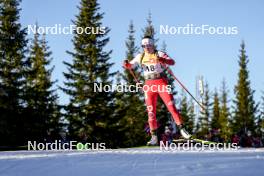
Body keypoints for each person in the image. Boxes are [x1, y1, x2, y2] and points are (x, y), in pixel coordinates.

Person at [123, 36, 191, 146]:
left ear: (152, 45)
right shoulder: (140, 56)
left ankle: (182, 129)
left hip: (162, 82)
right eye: (144, 46)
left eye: (149, 45)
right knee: (151, 112)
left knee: (171, 107)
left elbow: (172, 62)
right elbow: (130, 65)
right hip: (149, 85)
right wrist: (126, 64)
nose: (147, 48)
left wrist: (163, 60)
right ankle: (154, 136)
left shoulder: (159, 53)